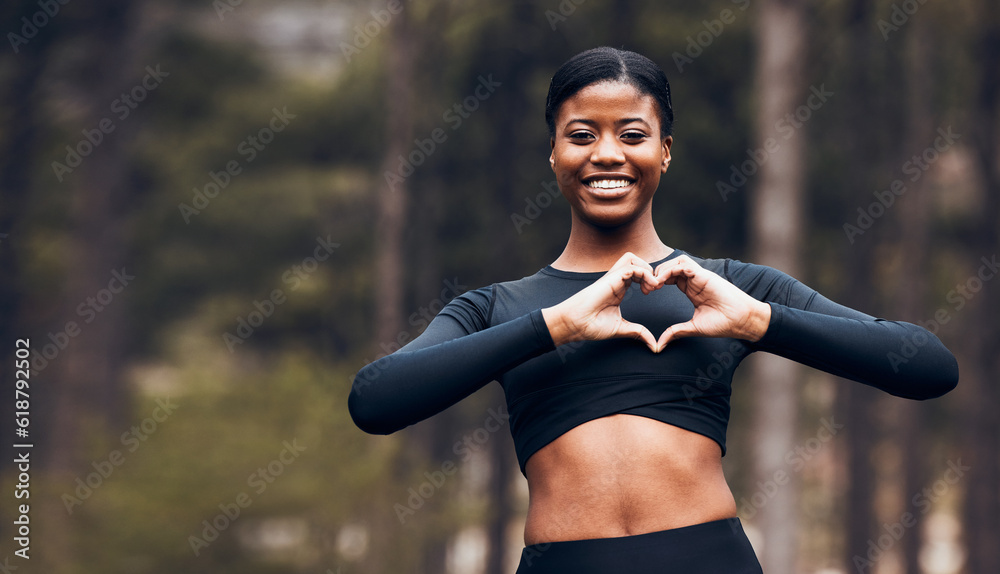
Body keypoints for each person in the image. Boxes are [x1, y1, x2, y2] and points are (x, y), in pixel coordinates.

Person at [348, 47, 959, 573]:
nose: (607, 154)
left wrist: (758, 321)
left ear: (664, 152)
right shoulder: (494, 307)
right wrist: (556, 325)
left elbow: (928, 367)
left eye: (632, 135)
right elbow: (375, 401)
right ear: (554, 155)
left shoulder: (731, 288)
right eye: (581, 135)